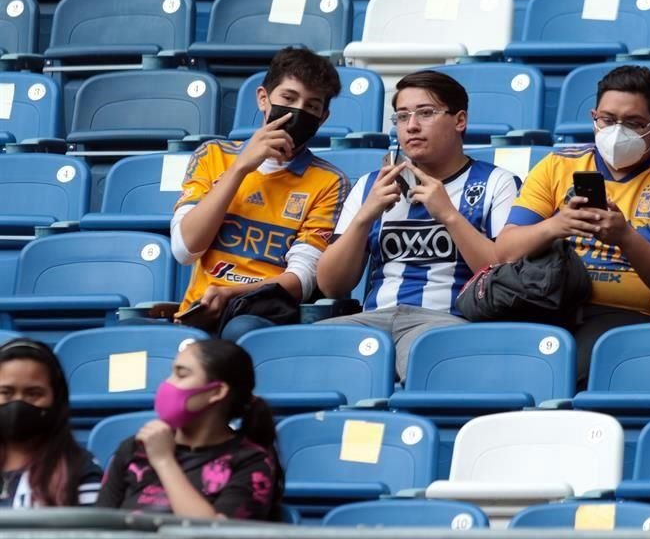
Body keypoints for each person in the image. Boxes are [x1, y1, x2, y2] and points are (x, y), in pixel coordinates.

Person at [496, 65, 650, 380]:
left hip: (624, 317)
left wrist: (626, 238)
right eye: (607, 119)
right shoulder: (557, 165)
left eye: (633, 123)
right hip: (543, 300)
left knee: (560, 374)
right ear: (594, 117)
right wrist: (558, 225)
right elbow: (505, 251)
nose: (617, 130)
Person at [314, 70, 520, 378]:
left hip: (446, 321)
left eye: (426, 113)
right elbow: (332, 285)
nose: (411, 126)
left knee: (423, 364)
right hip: (374, 319)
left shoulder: (496, 182)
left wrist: (449, 215)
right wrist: (364, 217)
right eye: (401, 116)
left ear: (459, 121)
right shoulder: (372, 185)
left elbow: (502, 278)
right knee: (302, 352)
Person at [171, 47, 350, 339]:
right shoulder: (213, 156)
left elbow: (302, 279)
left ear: (323, 117)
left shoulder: (330, 181)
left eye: (312, 106)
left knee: (241, 331)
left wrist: (233, 294)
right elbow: (185, 249)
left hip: (263, 315)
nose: (298, 112)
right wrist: (241, 168)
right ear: (263, 99)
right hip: (199, 313)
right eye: (288, 99)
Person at [97, 339, 280, 520]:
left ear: (217, 392)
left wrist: (164, 461)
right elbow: (97, 525)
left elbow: (214, 534)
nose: (167, 384)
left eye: (181, 375)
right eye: (171, 374)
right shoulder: (135, 447)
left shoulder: (252, 461)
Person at [0, 338, 101, 508]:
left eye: (33, 393)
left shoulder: (79, 468)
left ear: (56, 399)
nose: (18, 403)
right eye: (6, 392)